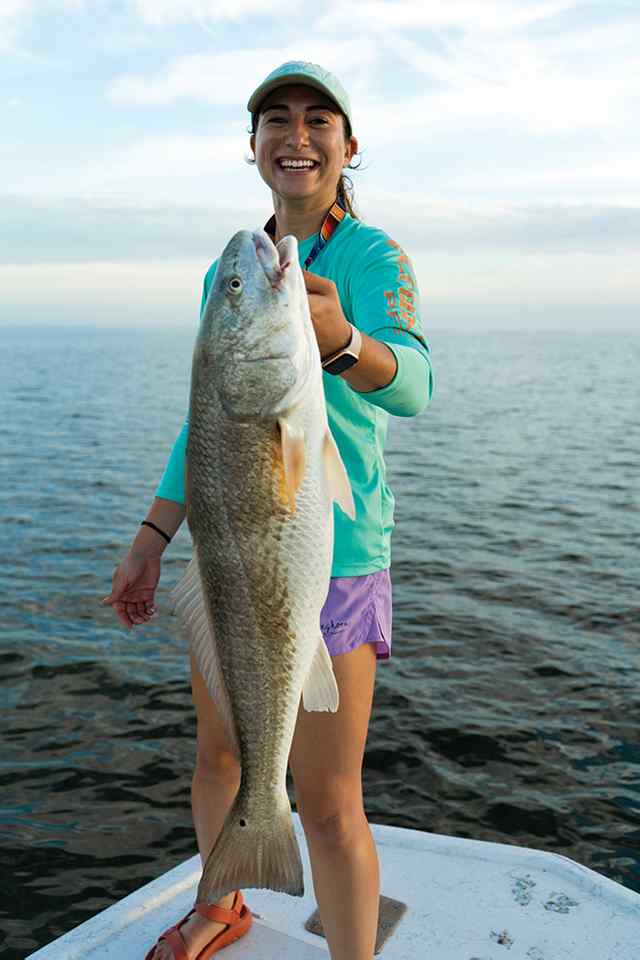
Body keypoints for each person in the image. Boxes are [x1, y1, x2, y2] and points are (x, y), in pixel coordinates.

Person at [102, 61, 434, 960]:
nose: (297, 136)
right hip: (228, 561)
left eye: (319, 119)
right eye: (276, 120)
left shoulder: (371, 258)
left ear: (349, 146)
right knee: (221, 759)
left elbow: (415, 385)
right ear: (252, 146)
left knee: (326, 803)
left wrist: (345, 340)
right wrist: (151, 537)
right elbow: (208, 419)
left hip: (337, 559)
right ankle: (222, 904)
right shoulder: (237, 273)